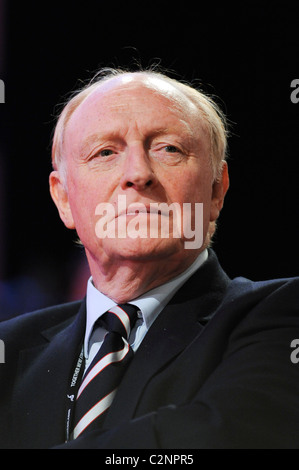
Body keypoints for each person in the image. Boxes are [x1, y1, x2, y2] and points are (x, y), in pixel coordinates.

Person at [0, 67, 298, 449]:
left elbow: (217, 436)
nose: (138, 174)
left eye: (169, 149)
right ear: (63, 199)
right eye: (105, 152)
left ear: (216, 191)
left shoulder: (283, 317)